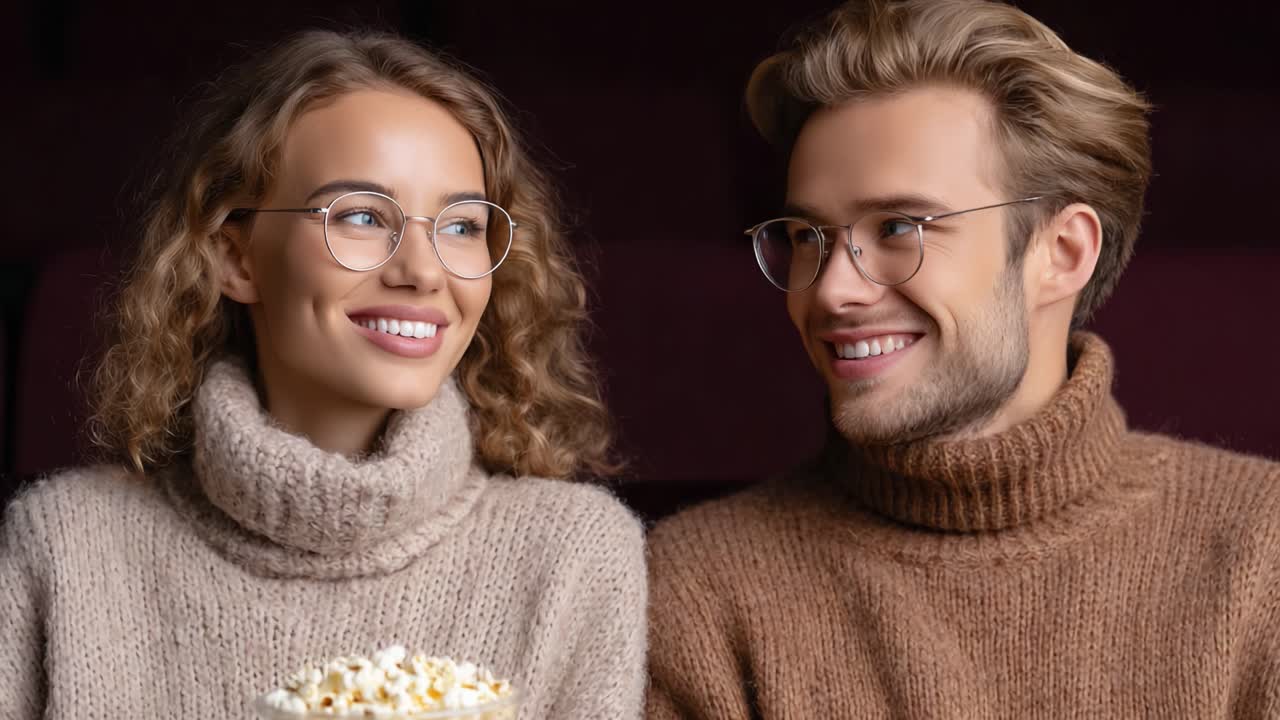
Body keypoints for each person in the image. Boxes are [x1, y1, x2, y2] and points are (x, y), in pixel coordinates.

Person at [646, 1, 1280, 717]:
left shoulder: (1262, 550)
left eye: (898, 227)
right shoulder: (698, 589)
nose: (831, 289)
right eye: (806, 235)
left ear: (1063, 252)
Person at [0, 30, 645, 720]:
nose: (423, 272)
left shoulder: (575, 554)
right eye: (364, 217)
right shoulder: (64, 546)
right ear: (235, 257)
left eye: (461, 226)